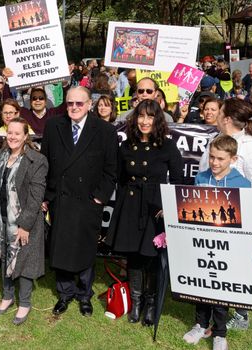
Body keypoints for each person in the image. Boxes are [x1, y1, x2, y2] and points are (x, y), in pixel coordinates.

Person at [41, 86, 118, 317]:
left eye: (79, 104)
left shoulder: (104, 131)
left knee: (85, 248)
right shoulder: (54, 126)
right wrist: (47, 196)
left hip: (88, 201)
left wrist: (99, 198)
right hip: (61, 200)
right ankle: (65, 293)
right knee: (61, 247)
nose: (74, 107)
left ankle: (85, 295)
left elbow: (111, 170)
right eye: (70, 103)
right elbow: (45, 163)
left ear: (89, 105)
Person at [106, 99, 183, 326]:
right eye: (141, 116)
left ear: (157, 119)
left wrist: (167, 208)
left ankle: (150, 302)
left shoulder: (167, 146)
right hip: (130, 206)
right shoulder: (126, 146)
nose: (144, 121)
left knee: (150, 257)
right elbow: (120, 179)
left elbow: (177, 180)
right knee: (133, 257)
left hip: (155, 209)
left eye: (150, 117)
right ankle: (136, 301)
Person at [184, 135, 252, 350]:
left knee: (221, 290)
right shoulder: (201, 178)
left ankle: (219, 333)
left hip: (229, 246)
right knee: (202, 286)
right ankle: (200, 324)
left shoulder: (243, 184)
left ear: (233, 159)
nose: (214, 163)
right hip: (203, 242)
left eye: (220, 158)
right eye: (211, 157)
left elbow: (247, 221)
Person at [198, 98, 252, 330]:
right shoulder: (214, 141)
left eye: (219, 112)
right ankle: (208, 306)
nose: (215, 115)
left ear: (226, 118)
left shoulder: (251, 146)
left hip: (237, 219)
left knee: (238, 266)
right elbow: (203, 175)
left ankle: (241, 314)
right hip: (209, 217)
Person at [0, 117, 48, 325]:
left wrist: (24, 225)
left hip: (24, 221)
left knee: (24, 261)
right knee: (6, 257)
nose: (13, 137)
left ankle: (24, 303)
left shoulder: (36, 160)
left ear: (26, 136)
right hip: (2, 219)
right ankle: (7, 296)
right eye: (10, 132)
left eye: (18, 133)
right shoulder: (2, 155)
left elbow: (36, 196)